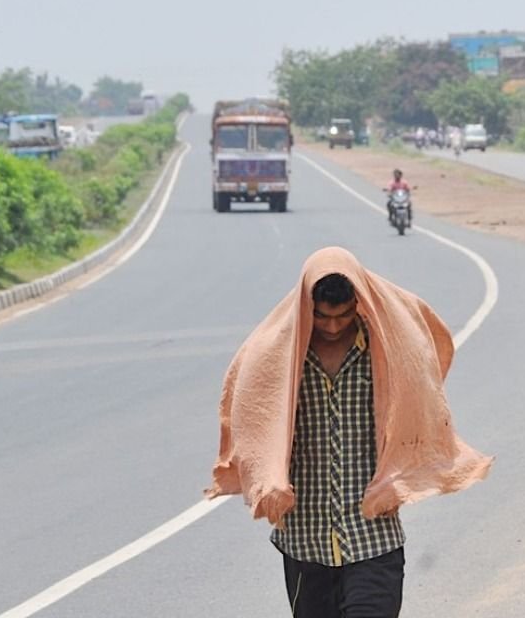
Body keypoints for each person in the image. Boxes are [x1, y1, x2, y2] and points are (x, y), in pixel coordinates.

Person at [207, 247, 492, 618]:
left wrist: (403, 473)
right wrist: (266, 479)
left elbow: (424, 399)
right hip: (304, 544)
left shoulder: (387, 350)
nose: (333, 326)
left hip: (374, 537)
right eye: (323, 317)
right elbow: (250, 417)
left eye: (343, 315)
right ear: (307, 307)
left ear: (359, 302)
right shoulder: (276, 357)